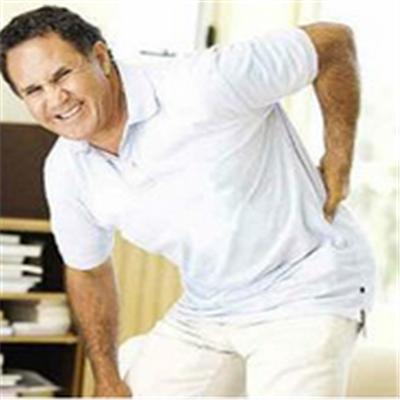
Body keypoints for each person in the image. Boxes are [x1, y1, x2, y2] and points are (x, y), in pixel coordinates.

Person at [0, 5, 375, 397]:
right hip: (208, 307)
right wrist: (107, 379)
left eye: (62, 75)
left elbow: (331, 41)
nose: (55, 99)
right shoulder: (67, 169)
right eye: (33, 90)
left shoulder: (203, 83)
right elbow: (88, 271)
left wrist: (339, 159)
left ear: (100, 57)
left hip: (308, 286)